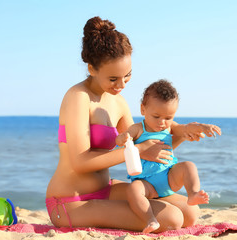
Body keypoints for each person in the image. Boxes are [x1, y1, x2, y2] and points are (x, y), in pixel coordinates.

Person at [45, 16, 206, 232]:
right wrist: (139, 150)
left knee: (189, 213)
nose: (121, 85)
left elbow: (147, 145)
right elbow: (80, 162)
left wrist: (183, 134)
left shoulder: (117, 101)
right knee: (172, 218)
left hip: (106, 189)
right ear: (92, 68)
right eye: (113, 79)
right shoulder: (78, 97)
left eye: (127, 76)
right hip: (70, 201)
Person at [115, 79, 222, 233]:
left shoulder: (170, 127)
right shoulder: (138, 128)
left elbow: (186, 128)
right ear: (143, 109)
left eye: (168, 117)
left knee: (188, 166)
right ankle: (150, 219)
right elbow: (122, 139)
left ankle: (192, 194)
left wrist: (202, 127)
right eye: (156, 116)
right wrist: (123, 139)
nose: (162, 122)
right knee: (133, 190)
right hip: (146, 184)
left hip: (168, 177)